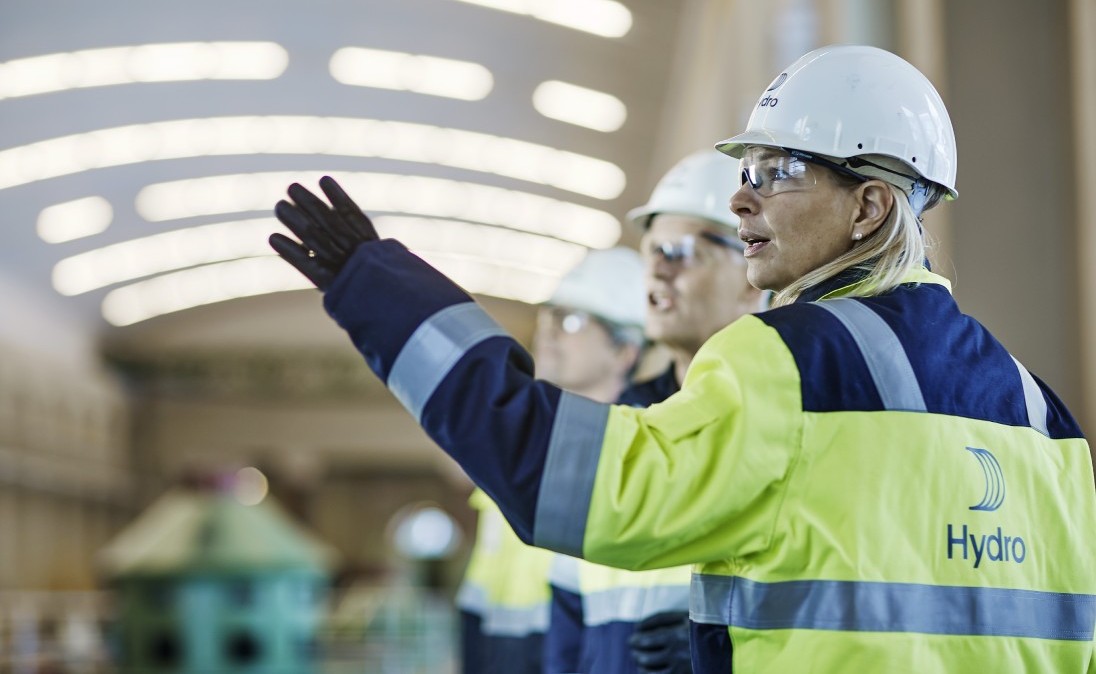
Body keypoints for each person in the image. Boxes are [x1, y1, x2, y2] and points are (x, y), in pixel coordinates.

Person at [270, 44, 1096, 672]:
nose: (742, 196)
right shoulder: (1044, 419)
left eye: (777, 172)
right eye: (746, 172)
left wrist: (384, 294)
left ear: (870, 207)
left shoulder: (789, 362)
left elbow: (567, 478)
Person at [545, 150, 763, 674]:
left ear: (752, 271)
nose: (658, 269)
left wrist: (730, 645)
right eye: (652, 250)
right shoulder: (616, 427)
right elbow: (567, 615)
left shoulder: (792, 417)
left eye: (683, 251)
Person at [457, 247, 648, 674]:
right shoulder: (516, 453)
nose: (548, 334)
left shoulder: (636, 460)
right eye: (548, 317)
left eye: (572, 321)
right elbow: (477, 603)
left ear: (625, 352)